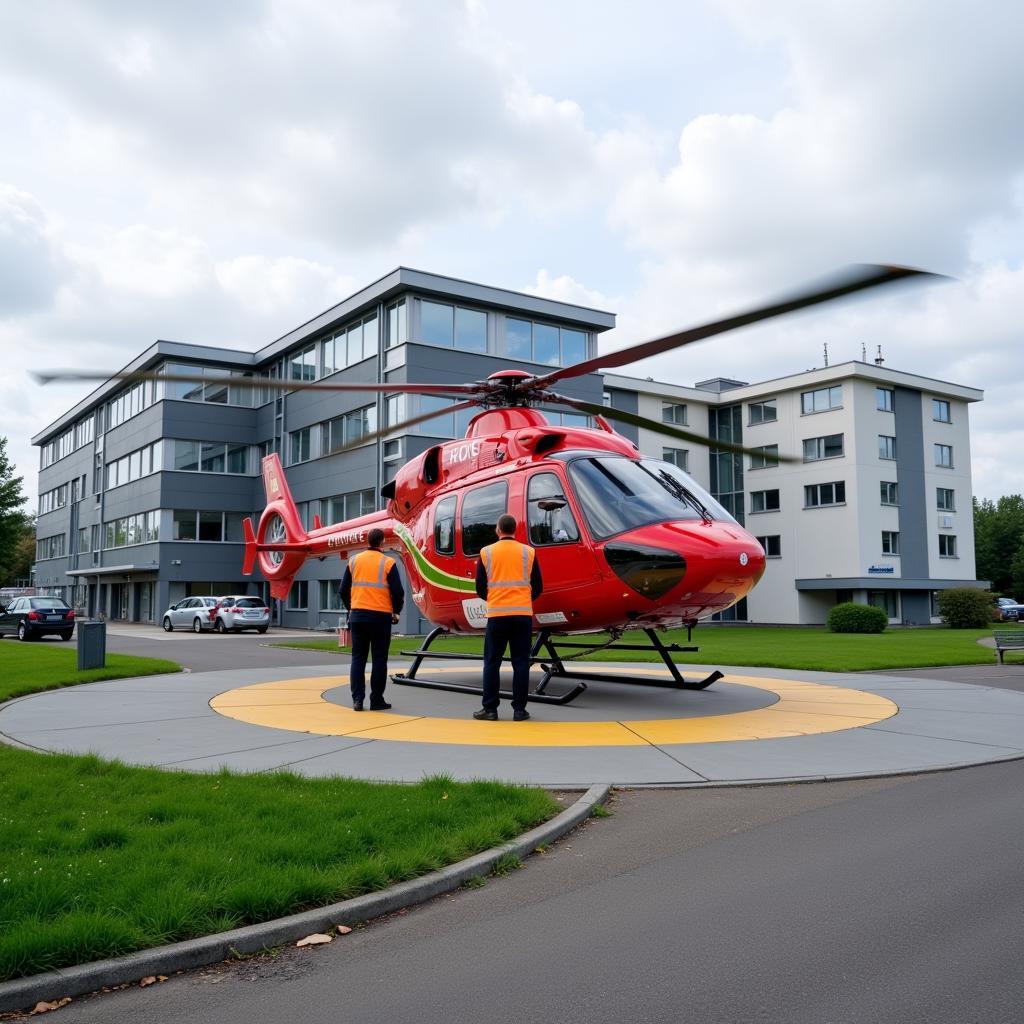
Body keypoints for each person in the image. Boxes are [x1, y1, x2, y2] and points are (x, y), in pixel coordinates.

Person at [473, 513, 543, 722]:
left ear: (498, 529)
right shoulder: (528, 552)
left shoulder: (486, 553)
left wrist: (495, 598)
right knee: (521, 663)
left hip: (497, 615)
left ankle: (490, 709)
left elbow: (479, 587)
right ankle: (519, 710)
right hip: (522, 615)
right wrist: (522, 600)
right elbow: (538, 586)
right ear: (515, 530)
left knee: (492, 662)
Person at [340, 528, 404, 711]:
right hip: (380, 617)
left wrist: (351, 608)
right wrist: (396, 611)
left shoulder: (353, 561)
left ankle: (357, 700)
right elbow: (398, 592)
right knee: (379, 660)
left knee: (358, 659)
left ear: (367, 541)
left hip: (358, 616)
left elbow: (343, 590)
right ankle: (376, 700)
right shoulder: (388, 563)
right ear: (382, 542)